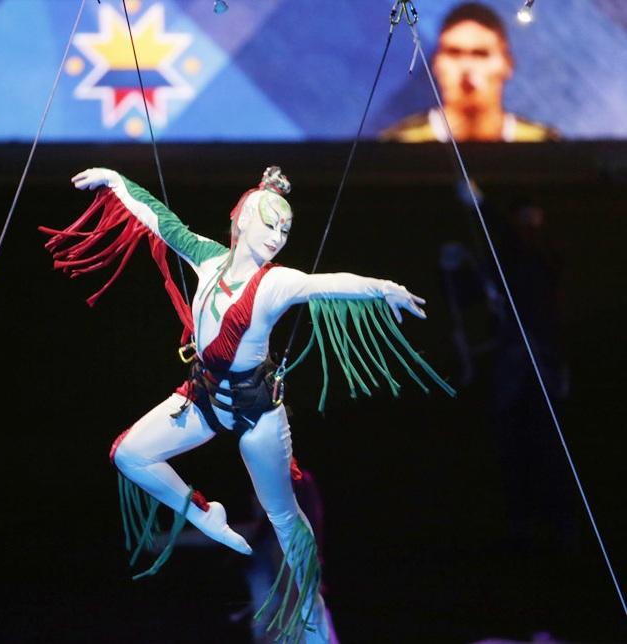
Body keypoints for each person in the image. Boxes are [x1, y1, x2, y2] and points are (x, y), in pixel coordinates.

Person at [40, 165, 452, 643]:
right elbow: (159, 220)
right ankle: (203, 516)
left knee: (282, 514)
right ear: (240, 221)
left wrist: (384, 288)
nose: (277, 236)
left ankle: (312, 605)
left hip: (258, 413)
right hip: (202, 399)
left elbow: (330, 282)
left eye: (285, 229)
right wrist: (116, 181)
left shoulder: (275, 283)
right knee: (129, 454)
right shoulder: (207, 260)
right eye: (269, 224)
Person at [379, 2, 559, 143]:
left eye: (480, 53)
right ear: (436, 64)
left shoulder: (545, 145)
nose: (466, 66)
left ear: (507, 65)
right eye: (453, 52)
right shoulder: (398, 144)